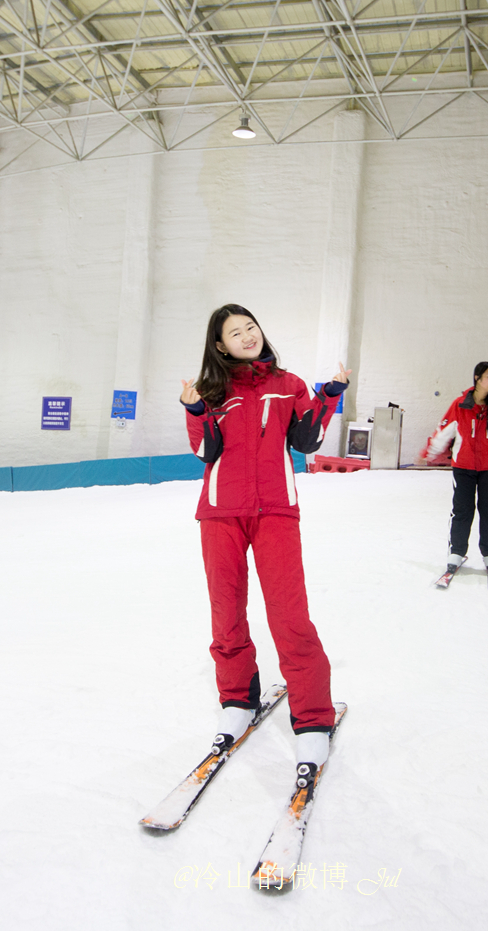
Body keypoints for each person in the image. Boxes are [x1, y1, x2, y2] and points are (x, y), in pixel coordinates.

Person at [181, 304, 344, 789]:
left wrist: (330, 395)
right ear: (220, 345)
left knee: (289, 615)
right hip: (220, 512)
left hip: (275, 510)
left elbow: (308, 438)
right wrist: (194, 411)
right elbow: (203, 452)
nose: (248, 336)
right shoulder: (211, 392)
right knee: (225, 611)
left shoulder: (288, 383)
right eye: (236, 332)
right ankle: (236, 700)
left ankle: (313, 717)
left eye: (251, 327)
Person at [420, 362, 488, 587]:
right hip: (463, 467)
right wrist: (429, 452)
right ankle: (456, 552)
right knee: (462, 511)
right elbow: (444, 430)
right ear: (477, 378)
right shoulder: (461, 404)